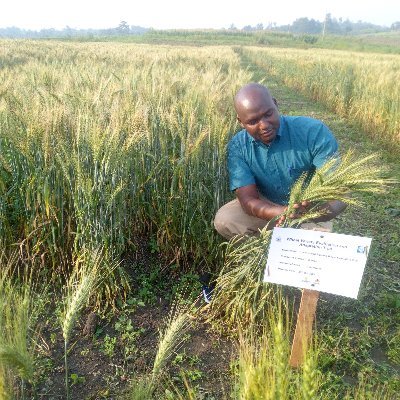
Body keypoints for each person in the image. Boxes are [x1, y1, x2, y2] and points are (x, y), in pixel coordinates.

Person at [214, 82, 346, 240]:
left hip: (310, 208)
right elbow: (248, 200)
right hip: (268, 206)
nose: (263, 125)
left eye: (268, 114)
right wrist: (283, 213)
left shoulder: (313, 132)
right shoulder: (238, 146)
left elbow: (339, 193)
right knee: (225, 220)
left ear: (275, 104)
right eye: (252, 121)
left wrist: (314, 213)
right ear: (240, 122)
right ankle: (263, 254)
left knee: (310, 259)